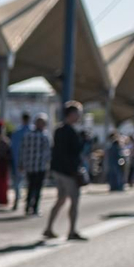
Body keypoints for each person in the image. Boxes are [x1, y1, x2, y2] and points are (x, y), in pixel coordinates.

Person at [43, 101, 87, 241]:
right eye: (78, 114)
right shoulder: (71, 132)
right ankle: (72, 231)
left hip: (58, 170)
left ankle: (49, 228)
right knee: (74, 200)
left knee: (61, 199)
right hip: (69, 172)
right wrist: (84, 140)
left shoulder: (58, 130)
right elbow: (75, 152)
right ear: (72, 114)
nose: (79, 117)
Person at [21, 115, 51, 216]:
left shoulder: (30, 135)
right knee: (34, 188)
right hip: (36, 166)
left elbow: (23, 150)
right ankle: (32, 207)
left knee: (33, 187)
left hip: (34, 166)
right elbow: (48, 153)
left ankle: (31, 207)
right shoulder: (44, 136)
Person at [9, 111, 32, 204]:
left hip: (17, 160)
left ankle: (17, 197)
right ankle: (29, 200)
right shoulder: (32, 131)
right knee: (30, 181)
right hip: (30, 160)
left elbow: (13, 147)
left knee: (17, 181)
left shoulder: (17, 132)